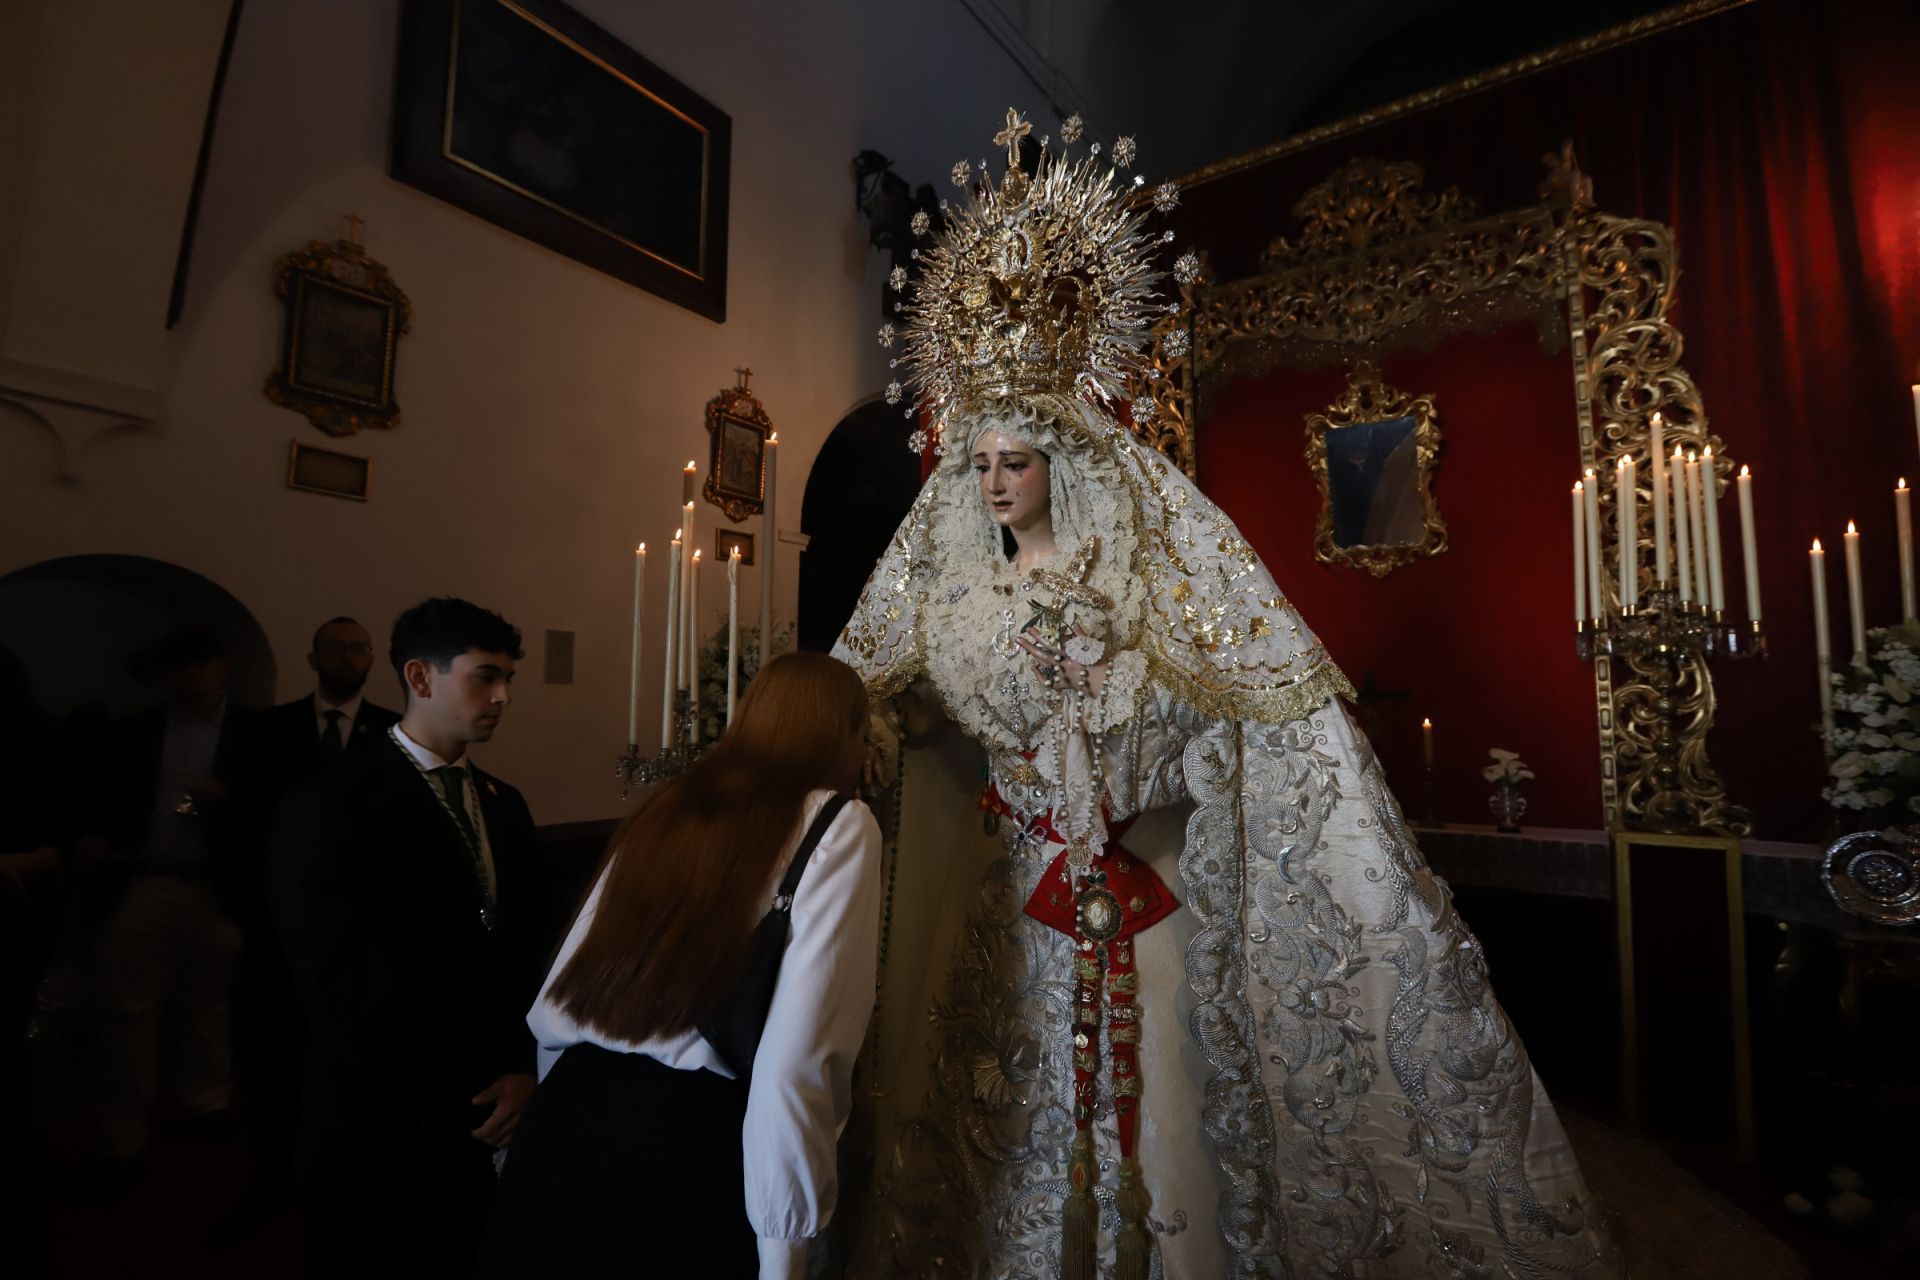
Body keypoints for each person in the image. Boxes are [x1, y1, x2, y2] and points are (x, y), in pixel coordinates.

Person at [830, 111, 1622, 1277]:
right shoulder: (945, 598)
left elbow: (1244, 723)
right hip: (1006, 910)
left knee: (1174, 1145)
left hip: (1144, 892)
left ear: (1070, 454)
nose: (996, 481)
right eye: (980, 460)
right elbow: (882, 712)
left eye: (1018, 458)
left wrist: (1143, 763)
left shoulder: (1152, 570)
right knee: (988, 1132)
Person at [486, 652, 881, 1280]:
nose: (865, 755)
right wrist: (784, 1253)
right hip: (681, 1146)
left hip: (562, 1124)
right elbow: (798, 1061)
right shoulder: (839, 825)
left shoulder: (673, 804)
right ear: (842, 731)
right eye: (864, 736)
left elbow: (561, 998)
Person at [271, 598, 545, 1276]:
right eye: (485, 676)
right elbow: (341, 976)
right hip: (379, 1114)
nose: (504, 695)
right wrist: (449, 1097)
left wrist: (521, 1064)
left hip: (490, 1101)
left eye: (509, 677)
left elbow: (529, 946)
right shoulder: (334, 801)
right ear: (420, 678)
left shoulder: (505, 802)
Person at [218, 616, 399, 1242]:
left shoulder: (393, 734)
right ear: (312, 656)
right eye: (335, 648)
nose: (347, 657)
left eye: (357, 648)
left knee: (354, 1069)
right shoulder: (266, 729)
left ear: (372, 659)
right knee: (276, 1067)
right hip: (279, 927)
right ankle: (269, 1185)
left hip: (361, 933)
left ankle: (350, 1190)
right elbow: (242, 826)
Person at [82, 627, 247, 1182]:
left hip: (217, 884)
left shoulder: (252, 731)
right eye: (179, 668)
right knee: (130, 1008)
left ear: (220, 667)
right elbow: (104, 795)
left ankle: (207, 1102)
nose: (189, 677)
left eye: (199, 665)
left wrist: (232, 801)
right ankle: (124, 1131)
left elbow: (278, 803)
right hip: (146, 878)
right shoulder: (136, 730)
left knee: (210, 1004)